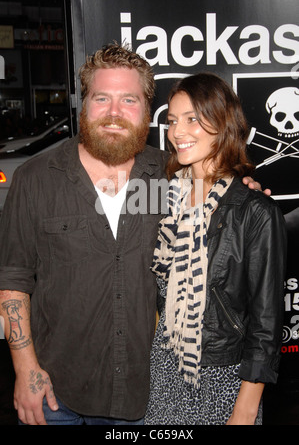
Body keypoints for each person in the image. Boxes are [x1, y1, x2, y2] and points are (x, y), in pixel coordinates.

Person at [0, 43, 267, 426]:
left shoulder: (170, 175)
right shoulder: (36, 179)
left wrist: (246, 193)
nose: (113, 113)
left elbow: (224, 197)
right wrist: (26, 371)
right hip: (56, 392)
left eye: (128, 99)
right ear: (83, 104)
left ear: (146, 109)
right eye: (101, 98)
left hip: (145, 399)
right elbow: (13, 277)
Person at [144, 72, 287, 426]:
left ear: (223, 123)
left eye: (192, 119)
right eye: (173, 121)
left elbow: (266, 324)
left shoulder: (255, 212)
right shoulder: (162, 198)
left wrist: (246, 410)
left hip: (222, 379)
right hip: (163, 369)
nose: (177, 132)